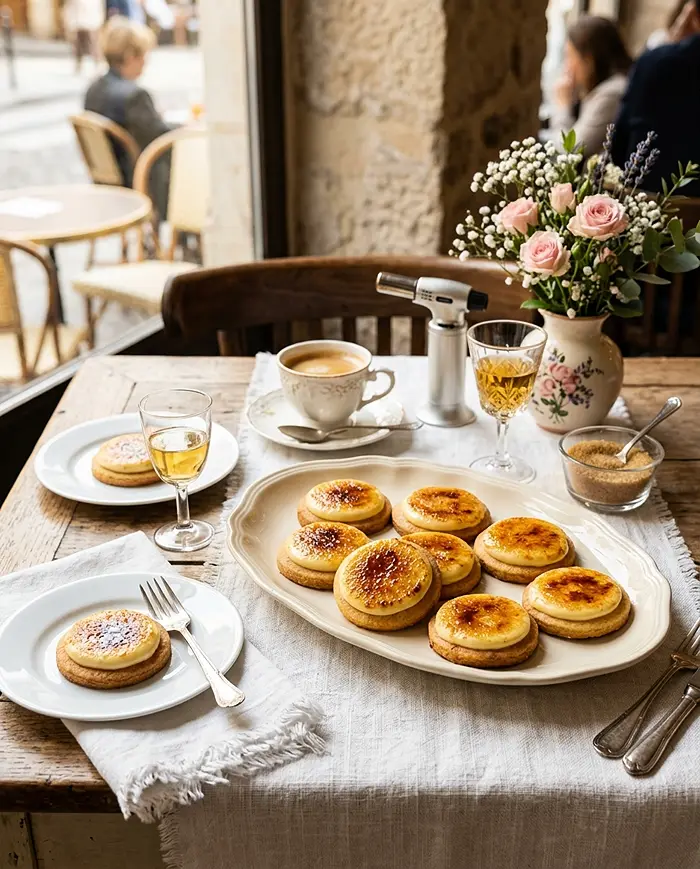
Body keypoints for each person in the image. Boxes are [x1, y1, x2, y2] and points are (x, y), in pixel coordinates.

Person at [84, 15, 172, 216]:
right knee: (189, 161)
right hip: (136, 181)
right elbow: (159, 136)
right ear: (132, 55)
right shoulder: (134, 95)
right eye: (144, 56)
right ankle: (185, 236)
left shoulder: (94, 89)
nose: (145, 63)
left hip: (107, 179)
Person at [611, 0, 700, 196]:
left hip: (649, 214)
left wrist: (671, 48)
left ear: (692, 13)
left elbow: (615, 152)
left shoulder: (654, 63)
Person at [553, 15, 632, 157]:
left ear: (588, 62)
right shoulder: (612, 86)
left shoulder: (612, 93)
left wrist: (562, 106)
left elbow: (570, 150)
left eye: (570, 57)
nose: (567, 66)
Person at [63, 0, 104, 74]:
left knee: (93, 45)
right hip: (78, 23)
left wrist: (99, 22)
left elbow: (99, 8)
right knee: (78, 45)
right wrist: (70, 23)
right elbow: (69, 8)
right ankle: (78, 64)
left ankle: (98, 64)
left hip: (92, 23)